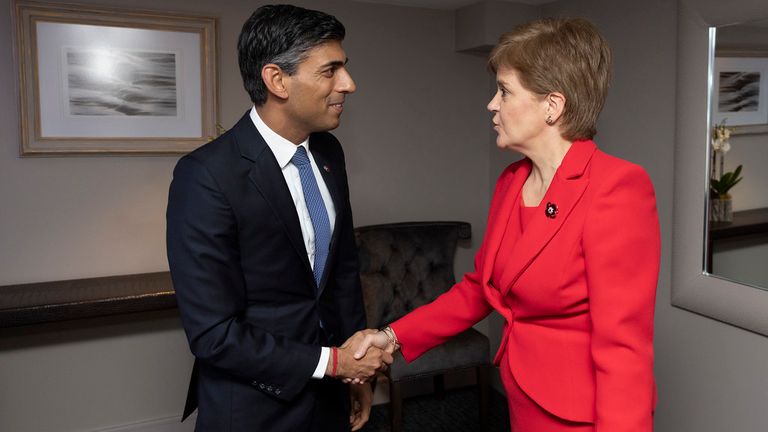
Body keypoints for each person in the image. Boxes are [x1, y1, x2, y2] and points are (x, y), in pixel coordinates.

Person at [353, 17, 660, 432]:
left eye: (504, 91)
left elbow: (624, 349)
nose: (491, 104)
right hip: (522, 395)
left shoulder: (616, 188)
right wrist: (391, 336)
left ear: (552, 105)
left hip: (580, 416)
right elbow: (481, 288)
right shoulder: (512, 181)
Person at [166, 5, 391, 432]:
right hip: (254, 406)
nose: (349, 84)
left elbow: (341, 274)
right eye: (331, 70)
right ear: (277, 80)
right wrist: (332, 362)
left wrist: (358, 372)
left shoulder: (328, 153)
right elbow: (213, 332)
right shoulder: (206, 176)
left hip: (330, 398)